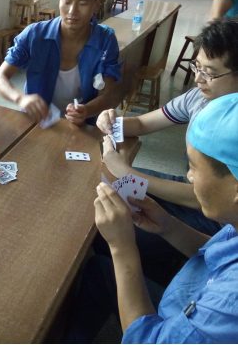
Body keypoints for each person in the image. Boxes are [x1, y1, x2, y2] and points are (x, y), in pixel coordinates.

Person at [65, 92, 238, 343]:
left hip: (172, 320)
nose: (189, 177)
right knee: (99, 270)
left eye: (193, 168)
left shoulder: (227, 305)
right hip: (190, 288)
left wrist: (122, 247)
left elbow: (145, 339)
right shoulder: (234, 221)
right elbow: (217, 251)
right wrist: (168, 226)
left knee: (105, 260)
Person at [96, 17, 238, 277]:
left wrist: (128, 173)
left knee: (113, 225)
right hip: (196, 188)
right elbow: (142, 123)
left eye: (210, 73)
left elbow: (206, 196)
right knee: (111, 190)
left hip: (220, 218)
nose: (198, 79)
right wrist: (112, 122)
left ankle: (169, 273)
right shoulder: (199, 97)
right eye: (196, 66)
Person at [0, 0, 123, 126]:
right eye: (66, 2)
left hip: (81, 125)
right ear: (60, 0)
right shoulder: (35, 34)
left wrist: (86, 111)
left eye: (82, 4)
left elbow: (107, 96)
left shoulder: (105, 40)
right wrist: (20, 98)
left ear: (96, 5)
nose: (72, 11)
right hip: (38, 121)